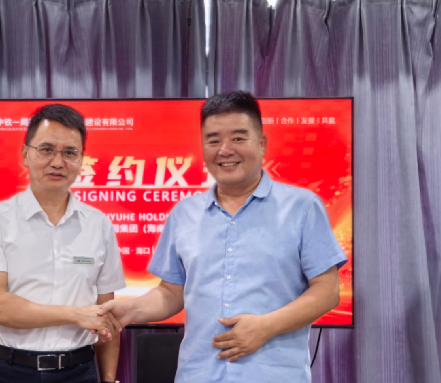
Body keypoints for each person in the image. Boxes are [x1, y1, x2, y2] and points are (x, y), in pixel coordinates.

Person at [98, 91, 348, 383]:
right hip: (199, 374)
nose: (225, 150)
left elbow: (327, 291)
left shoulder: (302, 207)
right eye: (213, 140)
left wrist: (266, 326)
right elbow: (172, 293)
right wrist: (131, 309)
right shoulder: (184, 213)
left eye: (238, 138)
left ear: (262, 144)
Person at [0, 104, 125, 383]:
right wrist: (76, 315)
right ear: (25, 154)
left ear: (81, 159)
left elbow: (106, 319)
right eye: (46, 149)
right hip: (7, 370)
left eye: (70, 152)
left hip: (78, 372)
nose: (57, 162)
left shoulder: (99, 225)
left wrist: (109, 379)